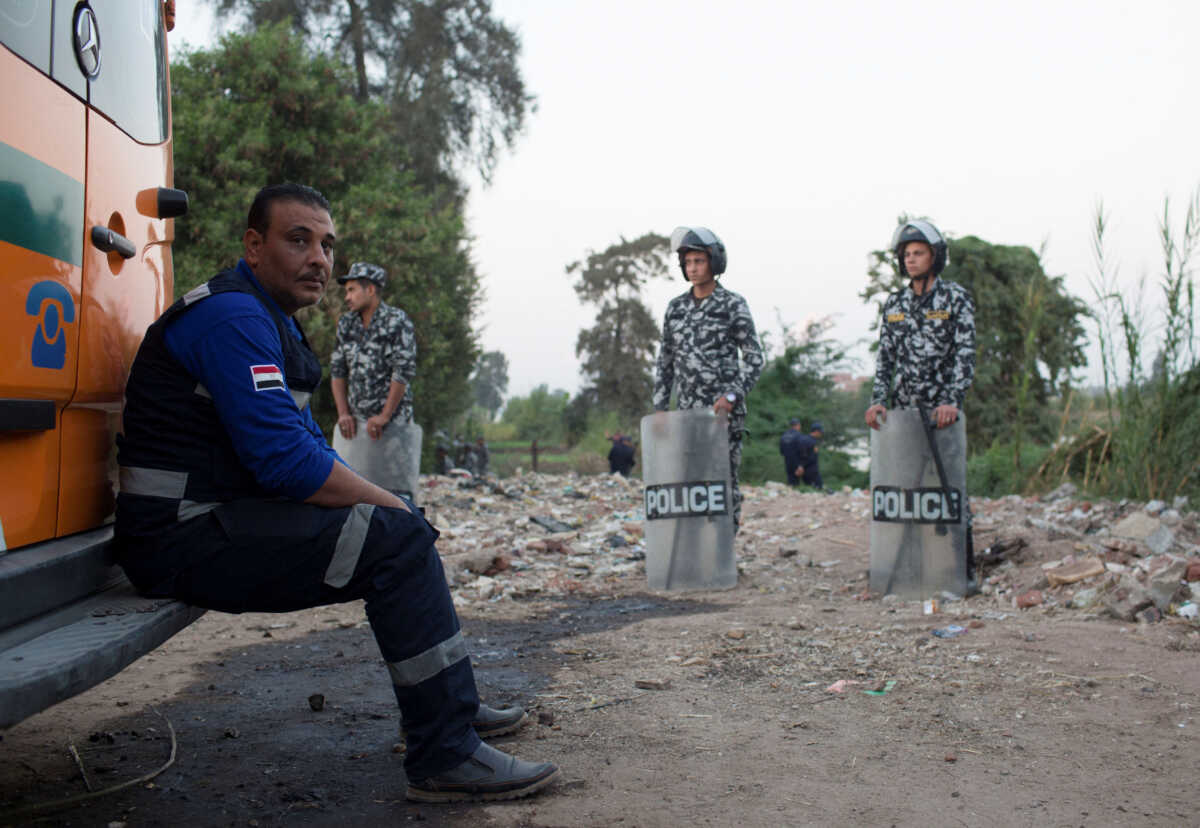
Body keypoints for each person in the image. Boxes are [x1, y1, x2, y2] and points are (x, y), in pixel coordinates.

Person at [112, 183, 559, 802]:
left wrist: (390, 505)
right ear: (254, 245)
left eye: (326, 244)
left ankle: (451, 710)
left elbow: (304, 448)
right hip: (179, 537)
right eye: (298, 240)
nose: (319, 259)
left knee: (402, 524)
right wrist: (389, 505)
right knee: (397, 536)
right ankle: (444, 755)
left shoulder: (270, 321)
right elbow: (289, 465)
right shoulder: (232, 316)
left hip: (216, 520)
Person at [864, 218, 976, 580]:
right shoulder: (895, 304)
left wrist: (952, 400)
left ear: (935, 256)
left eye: (919, 253)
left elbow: (965, 353)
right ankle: (905, 567)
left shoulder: (955, 298)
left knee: (948, 487)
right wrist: (879, 400)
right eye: (906, 254)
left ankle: (962, 568)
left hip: (942, 414)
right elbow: (885, 358)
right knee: (906, 488)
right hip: (904, 413)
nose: (911, 260)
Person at [653, 226, 764, 529]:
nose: (693, 268)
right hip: (687, 414)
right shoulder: (675, 309)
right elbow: (665, 362)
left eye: (699, 261)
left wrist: (731, 396)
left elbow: (755, 358)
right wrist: (660, 408)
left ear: (714, 262)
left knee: (723, 482)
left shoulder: (732, 304)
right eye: (688, 263)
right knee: (690, 482)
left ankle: (722, 554)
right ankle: (696, 552)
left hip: (722, 414)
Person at [330, 262, 416, 442]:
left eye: (352, 290)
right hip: (356, 427)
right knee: (352, 471)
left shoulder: (396, 321)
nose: (347, 297)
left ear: (370, 290)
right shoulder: (347, 324)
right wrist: (343, 414)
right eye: (347, 291)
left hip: (393, 425)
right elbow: (338, 370)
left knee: (391, 471)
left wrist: (384, 416)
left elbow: (403, 371)